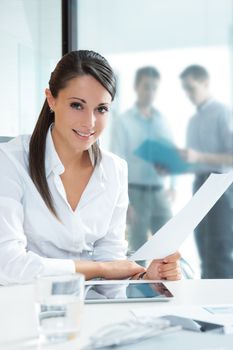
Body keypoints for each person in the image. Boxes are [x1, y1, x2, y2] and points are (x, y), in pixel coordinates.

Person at [0, 50, 181, 285]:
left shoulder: (115, 170)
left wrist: (146, 278)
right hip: (25, 311)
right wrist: (101, 269)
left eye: (101, 109)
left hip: (91, 312)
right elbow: (8, 265)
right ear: (51, 99)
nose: (90, 122)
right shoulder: (10, 161)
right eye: (77, 105)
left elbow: (112, 273)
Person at [111, 66, 175, 258]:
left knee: (168, 247)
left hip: (158, 191)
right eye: (146, 87)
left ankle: (166, 289)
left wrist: (173, 185)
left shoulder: (162, 120)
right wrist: (125, 202)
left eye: (154, 88)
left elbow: (171, 154)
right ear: (136, 87)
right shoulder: (124, 121)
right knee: (137, 252)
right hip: (135, 193)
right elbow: (117, 161)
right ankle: (136, 289)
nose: (150, 93)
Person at [180, 64, 233, 278]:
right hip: (199, 185)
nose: (188, 94)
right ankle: (207, 307)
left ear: (206, 83)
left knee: (219, 251)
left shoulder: (223, 113)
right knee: (203, 250)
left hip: (220, 187)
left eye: (191, 88)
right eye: (184, 89)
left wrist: (199, 157)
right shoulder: (193, 121)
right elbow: (195, 162)